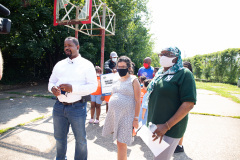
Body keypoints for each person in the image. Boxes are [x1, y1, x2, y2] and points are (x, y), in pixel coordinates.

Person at [48, 37, 98, 160]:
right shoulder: (59, 64)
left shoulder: (87, 65)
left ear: (77, 47)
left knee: (80, 140)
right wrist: (52, 89)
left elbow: (93, 86)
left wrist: (73, 88)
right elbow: (51, 82)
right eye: (65, 45)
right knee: (59, 138)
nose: (67, 47)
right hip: (59, 107)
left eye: (70, 45)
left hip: (77, 107)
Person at [147, 47, 196, 160]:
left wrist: (166, 126)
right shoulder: (160, 73)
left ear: (176, 57)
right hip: (155, 127)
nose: (163, 56)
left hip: (170, 129)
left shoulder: (184, 73)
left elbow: (189, 104)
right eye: (161, 54)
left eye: (167, 54)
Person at [102, 56, 141, 160]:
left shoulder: (134, 80)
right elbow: (113, 94)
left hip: (127, 116)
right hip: (116, 115)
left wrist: (136, 119)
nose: (120, 68)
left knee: (121, 143)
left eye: (123, 66)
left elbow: (138, 101)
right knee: (119, 142)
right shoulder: (116, 79)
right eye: (119, 66)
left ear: (128, 67)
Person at [174, 61, 194, 153]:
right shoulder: (178, 76)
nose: (184, 69)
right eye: (183, 67)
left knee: (181, 126)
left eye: (186, 67)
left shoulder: (189, 78)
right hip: (176, 104)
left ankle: (179, 145)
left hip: (183, 106)